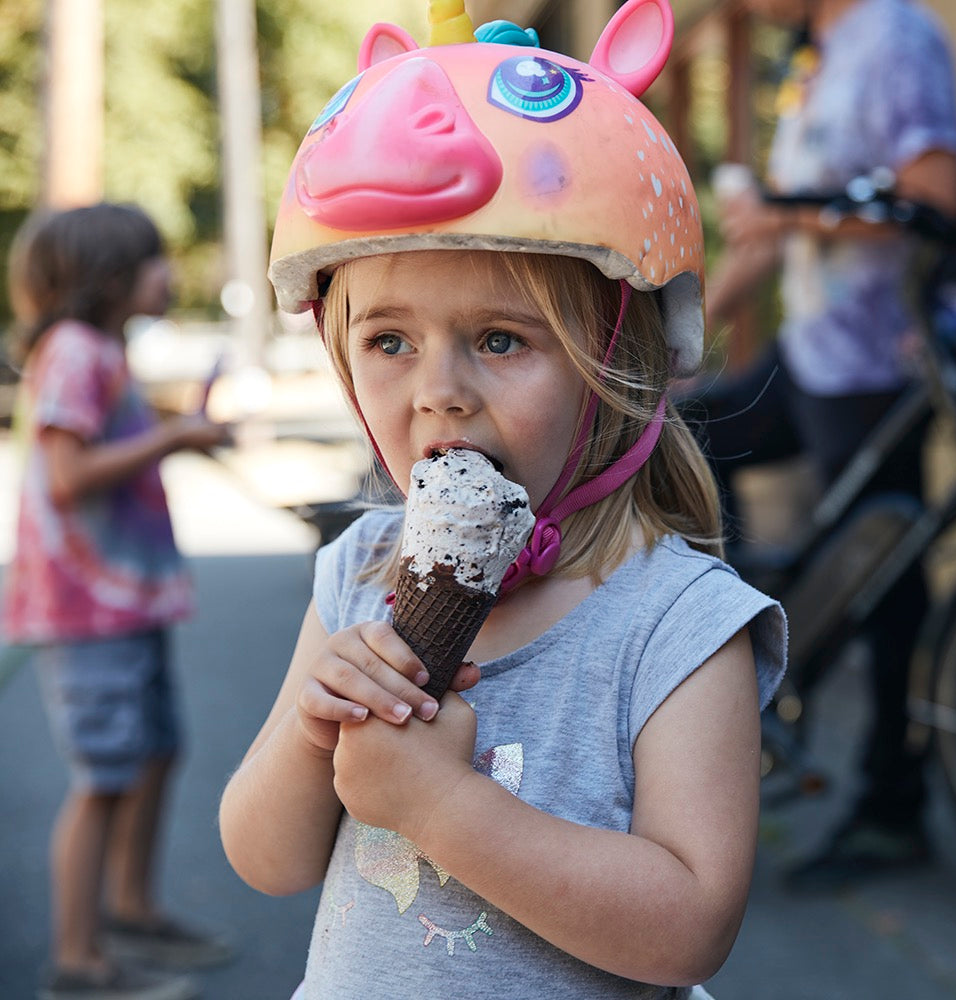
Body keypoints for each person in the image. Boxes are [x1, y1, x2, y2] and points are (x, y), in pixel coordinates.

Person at [217, 3, 786, 998]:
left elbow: (690, 924)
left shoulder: (679, 622)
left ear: (616, 361)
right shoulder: (359, 574)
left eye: (499, 339)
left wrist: (442, 806)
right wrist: (312, 735)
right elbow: (268, 859)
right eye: (389, 341)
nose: (438, 388)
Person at [686, 0, 956, 888]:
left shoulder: (894, 38)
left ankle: (892, 809)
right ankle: (745, 653)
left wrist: (790, 216)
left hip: (877, 366)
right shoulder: (817, 54)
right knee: (686, 436)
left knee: (888, 587)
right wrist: (678, 342)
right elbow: (778, 227)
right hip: (813, 357)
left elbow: (933, 200)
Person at [2, 203, 234, 1000]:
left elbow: (103, 445)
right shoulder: (73, 351)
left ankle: (131, 912)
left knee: (156, 750)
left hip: (125, 603)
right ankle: (78, 963)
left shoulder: (101, 351)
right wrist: (174, 439)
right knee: (105, 773)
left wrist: (181, 428)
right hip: (86, 607)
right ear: (110, 276)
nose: (169, 274)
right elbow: (68, 475)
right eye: (154, 261)